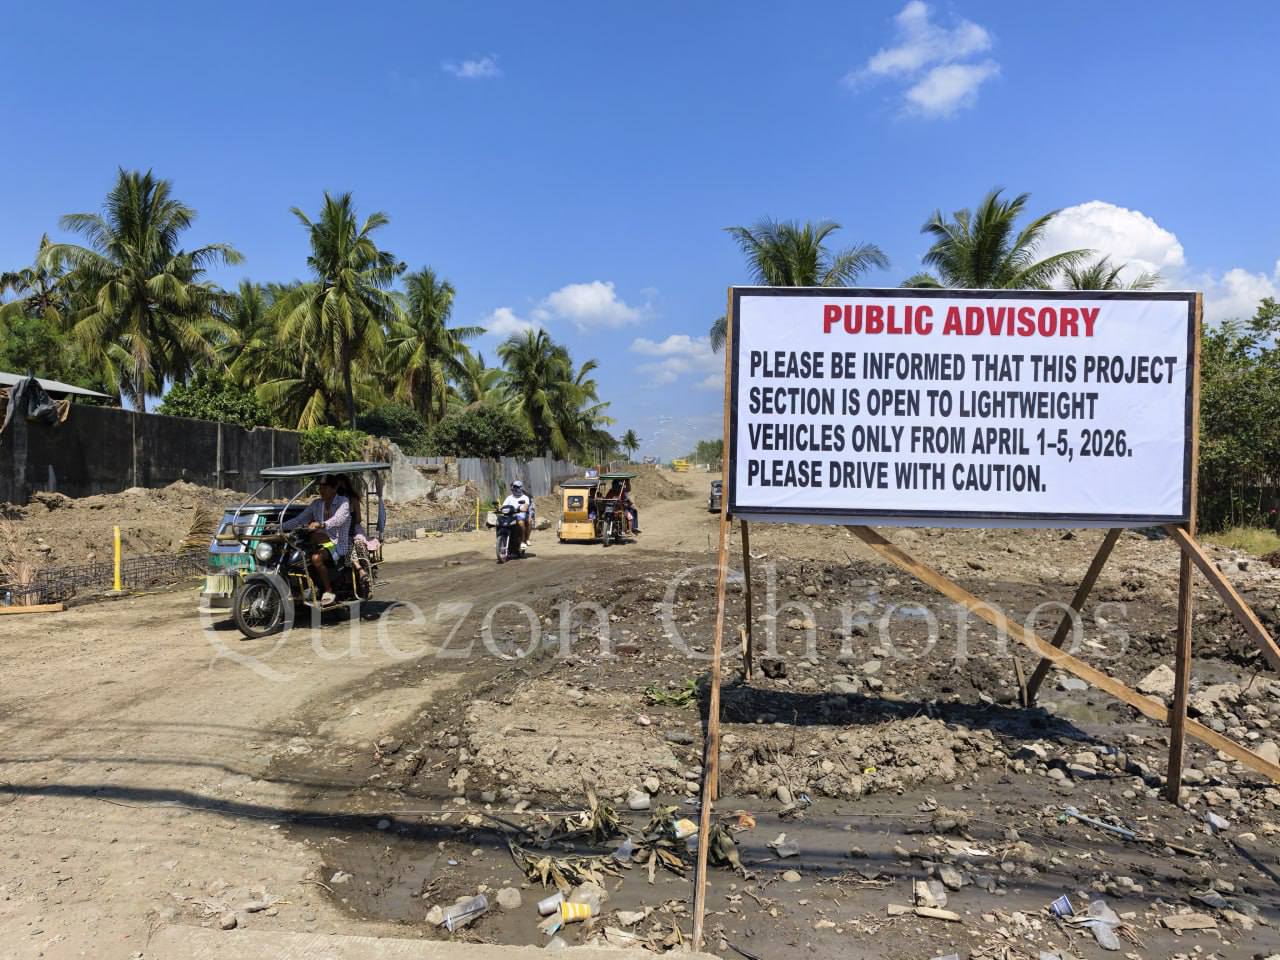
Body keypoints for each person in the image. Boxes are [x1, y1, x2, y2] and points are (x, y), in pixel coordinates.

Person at [282, 474, 350, 605]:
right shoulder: (317, 504)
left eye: (325, 487)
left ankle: (328, 590)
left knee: (316, 558)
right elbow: (299, 520)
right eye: (320, 487)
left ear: (334, 488)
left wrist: (321, 524)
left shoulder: (343, 502)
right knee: (293, 555)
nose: (321, 490)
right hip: (319, 542)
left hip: (337, 543)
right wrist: (279, 526)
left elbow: (338, 519)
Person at [501, 480, 533, 549]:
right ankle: (501, 540)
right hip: (510, 516)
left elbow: (526, 506)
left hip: (520, 516)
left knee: (521, 523)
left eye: (516, 487)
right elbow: (503, 506)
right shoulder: (509, 497)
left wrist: (522, 508)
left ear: (520, 488)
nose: (514, 488)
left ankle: (523, 541)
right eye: (514, 487)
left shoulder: (525, 497)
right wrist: (500, 509)